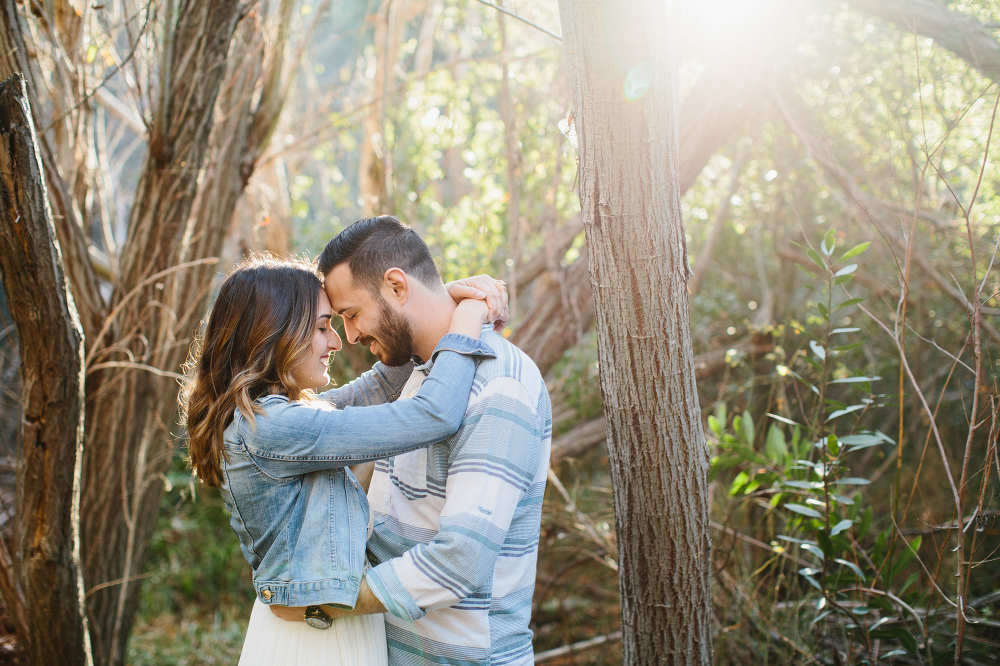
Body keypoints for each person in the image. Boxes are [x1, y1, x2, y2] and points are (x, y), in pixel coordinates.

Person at [180, 253, 506, 666]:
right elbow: (433, 415)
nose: (336, 341)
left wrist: (436, 304)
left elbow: (377, 388)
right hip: (315, 645)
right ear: (273, 333)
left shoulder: (276, 419)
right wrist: (469, 316)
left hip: (325, 630)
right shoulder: (271, 428)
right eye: (321, 328)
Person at [273, 216, 552, 666]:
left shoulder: (501, 385)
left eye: (351, 314)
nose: (351, 335)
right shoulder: (419, 372)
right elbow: (325, 418)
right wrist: (461, 301)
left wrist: (323, 602)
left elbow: (461, 558)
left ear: (397, 287)